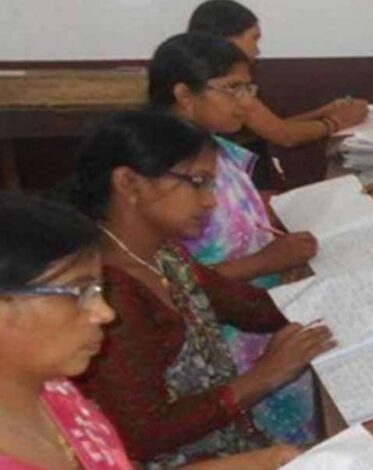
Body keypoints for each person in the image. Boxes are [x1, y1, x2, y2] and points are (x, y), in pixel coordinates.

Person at [72, 110, 335, 468]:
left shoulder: (163, 255)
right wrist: (263, 376)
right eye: (197, 182)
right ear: (129, 183)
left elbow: (252, 309)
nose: (210, 200)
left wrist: (362, 296)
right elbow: (144, 436)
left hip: (231, 444)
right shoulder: (110, 293)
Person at [0, 193, 301, 470]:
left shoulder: (53, 390)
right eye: (79, 293)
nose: (105, 313)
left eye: (97, 290)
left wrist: (265, 462)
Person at [148, 33, 325, 445]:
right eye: (233, 89)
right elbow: (168, 280)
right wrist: (267, 261)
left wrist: (269, 213)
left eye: (249, 88)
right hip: (229, 349)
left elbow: (235, 215)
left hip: (264, 316)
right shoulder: (164, 173)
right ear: (184, 94)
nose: (246, 102)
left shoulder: (216, 150)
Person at [187, 0, 369, 149]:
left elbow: (271, 127)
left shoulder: (200, 72)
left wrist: (323, 112)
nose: (257, 50)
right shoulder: (224, 84)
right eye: (253, 38)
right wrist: (336, 122)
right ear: (227, 39)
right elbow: (285, 136)